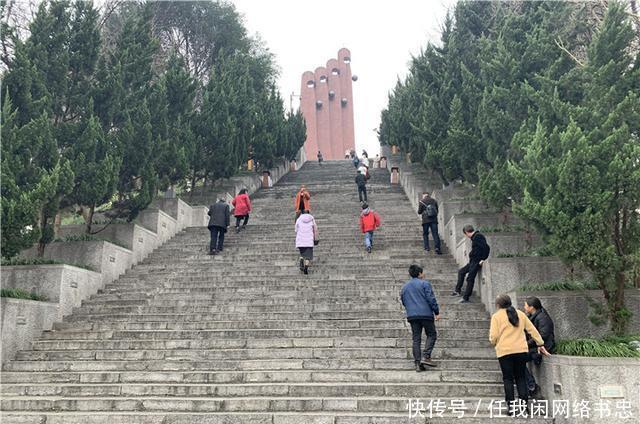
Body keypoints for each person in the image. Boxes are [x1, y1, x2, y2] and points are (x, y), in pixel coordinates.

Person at [490, 294, 549, 416]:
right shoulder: (520, 314)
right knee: (520, 378)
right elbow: (532, 330)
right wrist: (540, 343)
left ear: (498, 305)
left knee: (508, 379)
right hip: (521, 350)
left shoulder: (496, 317)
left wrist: (495, 343)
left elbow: (493, 336)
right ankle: (524, 407)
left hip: (504, 352)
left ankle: (511, 407)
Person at [400, 265, 440, 372]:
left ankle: (418, 363)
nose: (423, 274)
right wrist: (436, 311)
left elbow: (403, 301)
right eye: (422, 273)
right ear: (419, 274)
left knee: (416, 339)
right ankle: (426, 355)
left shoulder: (405, 287)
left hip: (412, 316)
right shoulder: (425, 283)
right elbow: (431, 298)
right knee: (432, 334)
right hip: (426, 314)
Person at [523, 296, 556, 396]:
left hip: (543, 347)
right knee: (516, 359)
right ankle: (530, 384)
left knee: (517, 360)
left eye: (525, 305)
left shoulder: (542, 317)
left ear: (531, 307)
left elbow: (543, 335)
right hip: (534, 347)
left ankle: (531, 384)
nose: (524, 307)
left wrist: (526, 344)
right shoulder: (533, 316)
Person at [452, 225, 490, 303]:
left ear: (466, 232)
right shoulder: (475, 237)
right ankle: (457, 290)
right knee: (461, 272)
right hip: (473, 261)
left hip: (476, 261)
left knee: (470, 278)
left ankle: (466, 297)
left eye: (465, 234)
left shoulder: (478, 237)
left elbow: (486, 248)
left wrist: (483, 259)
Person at [295, 210, 318, 275]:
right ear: (308, 213)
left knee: (302, 253)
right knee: (308, 256)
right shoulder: (312, 219)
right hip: (309, 240)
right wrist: (315, 238)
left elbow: (296, 229)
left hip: (300, 240)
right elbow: (315, 229)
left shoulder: (299, 219)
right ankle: (306, 267)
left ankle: (301, 259)